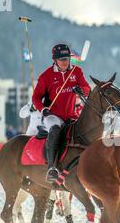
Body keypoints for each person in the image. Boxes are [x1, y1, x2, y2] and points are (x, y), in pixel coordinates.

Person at [32, 43, 91, 182]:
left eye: (67, 58)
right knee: (55, 131)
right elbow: (36, 97)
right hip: (52, 115)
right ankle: (52, 167)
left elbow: (87, 88)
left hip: (70, 115)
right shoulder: (46, 76)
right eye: (61, 59)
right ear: (55, 60)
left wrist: (81, 90)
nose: (65, 62)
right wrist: (43, 109)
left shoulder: (76, 72)